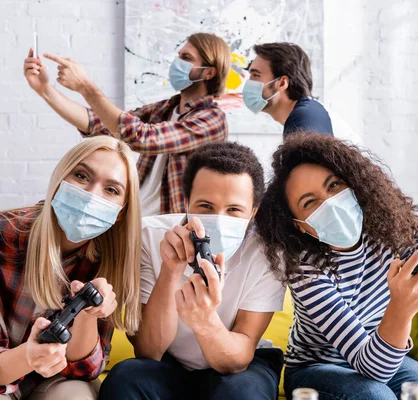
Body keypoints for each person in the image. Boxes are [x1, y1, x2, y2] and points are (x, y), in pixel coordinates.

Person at [255, 134, 418, 400]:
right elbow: (373, 370)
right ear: (300, 226)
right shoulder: (305, 270)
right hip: (317, 368)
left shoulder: (390, 232)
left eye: (334, 185)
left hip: (384, 355)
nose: (330, 203)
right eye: (310, 202)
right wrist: (401, 308)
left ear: (354, 184)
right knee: (376, 397)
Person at [0, 137, 142, 399]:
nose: (92, 195)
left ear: (121, 212)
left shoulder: (111, 259)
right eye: (81, 175)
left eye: (111, 190)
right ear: (59, 180)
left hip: (57, 383)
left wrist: (88, 315)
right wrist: (28, 357)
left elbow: (84, 369)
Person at [99, 142, 286, 400]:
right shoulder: (148, 237)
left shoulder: (268, 253)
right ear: (186, 203)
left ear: (253, 212)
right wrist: (170, 270)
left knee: (241, 393)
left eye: (234, 210)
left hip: (240, 365)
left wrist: (205, 321)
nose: (219, 219)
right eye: (206, 206)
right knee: (125, 377)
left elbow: (237, 359)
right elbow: (149, 351)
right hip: (170, 362)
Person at [23, 33, 231, 216]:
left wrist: (86, 87)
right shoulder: (165, 109)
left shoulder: (213, 120)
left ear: (208, 73)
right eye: (178, 56)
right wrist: (45, 89)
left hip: (171, 226)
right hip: (136, 219)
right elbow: (101, 125)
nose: (177, 63)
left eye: (186, 58)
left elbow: (142, 138)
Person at [243, 42, 333, 137]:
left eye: (256, 75)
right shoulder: (306, 114)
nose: (249, 82)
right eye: (250, 76)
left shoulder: (305, 120)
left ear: (282, 83)